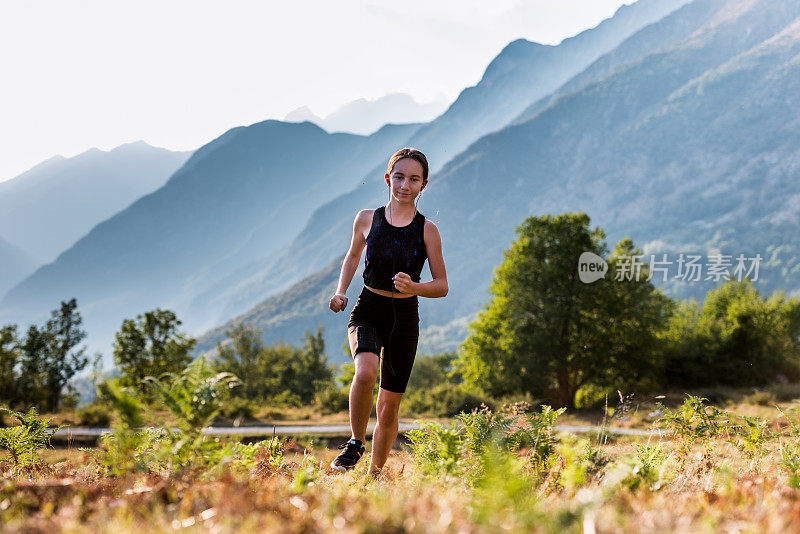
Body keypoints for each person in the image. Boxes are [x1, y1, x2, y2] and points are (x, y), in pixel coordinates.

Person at [328, 147, 449, 478]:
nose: (404, 185)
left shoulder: (428, 231)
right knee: (365, 371)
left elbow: (442, 285)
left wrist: (415, 288)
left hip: (404, 319)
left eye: (413, 179)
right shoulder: (367, 218)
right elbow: (353, 256)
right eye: (399, 177)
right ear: (387, 179)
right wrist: (341, 291)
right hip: (367, 308)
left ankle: (373, 477)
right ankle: (355, 442)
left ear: (423, 185)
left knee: (388, 406)